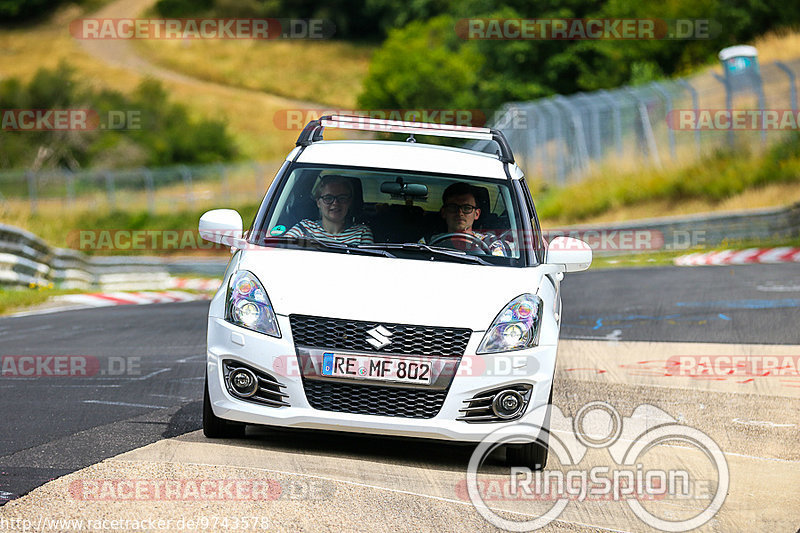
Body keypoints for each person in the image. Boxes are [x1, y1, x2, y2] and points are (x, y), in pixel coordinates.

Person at [423, 182, 509, 256]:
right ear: (444, 212)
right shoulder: (428, 241)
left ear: (477, 214)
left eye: (467, 208)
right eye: (453, 207)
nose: (460, 213)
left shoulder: (491, 243)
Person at [284, 175, 373, 245]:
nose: (335, 203)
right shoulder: (303, 229)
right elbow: (280, 252)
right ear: (318, 202)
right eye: (328, 198)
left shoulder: (361, 233)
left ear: (349, 202)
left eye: (342, 198)